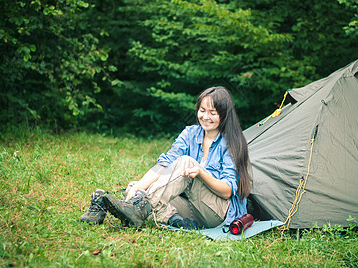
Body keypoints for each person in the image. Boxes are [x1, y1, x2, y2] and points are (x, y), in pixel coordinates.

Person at [79, 86, 251, 229]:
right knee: (138, 185)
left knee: (186, 162)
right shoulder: (190, 133)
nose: (205, 117)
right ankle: (168, 217)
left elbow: (227, 191)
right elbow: (164, 164)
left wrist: (200, 173)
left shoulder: (232, 143)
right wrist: (139, 187)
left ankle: (139, 207)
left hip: (217, 213)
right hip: (191, 207)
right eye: (202, 110)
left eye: (212, 113)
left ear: (224, 114)